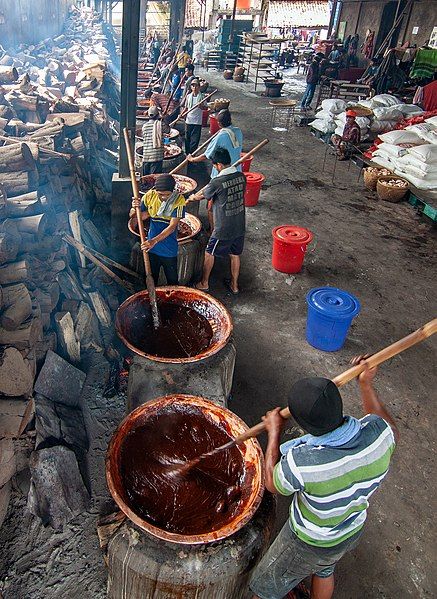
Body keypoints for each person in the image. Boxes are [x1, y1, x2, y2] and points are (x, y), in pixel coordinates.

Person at [249, 358, 399, 599]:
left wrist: (274, 432)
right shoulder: (380, 435)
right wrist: (366, 384)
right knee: (324, 569)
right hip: (350, 529)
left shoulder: (303, 463)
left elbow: (272, 484)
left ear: (304, 426)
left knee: (264, 586)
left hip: (310, 541)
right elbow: (385, 423)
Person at [188, 148, 246, 295]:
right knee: (234, 255)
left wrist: (191, 197)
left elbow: (203, 194)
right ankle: (234, 286)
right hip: (239, 224)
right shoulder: (241, 176)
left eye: (214, 165)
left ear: (219, 165)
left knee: (209, 253)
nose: (215, 167)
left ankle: (204, 283)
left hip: (223, 227)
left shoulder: (217, 181)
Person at [130, 174, 186, 285]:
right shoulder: (150, 196)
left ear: (172, 191)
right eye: (160, 194)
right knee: (152, 277)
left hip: (169, 249)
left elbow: (172, 227)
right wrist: (134, 208)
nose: (164, 197)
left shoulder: (179, 200)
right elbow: (137, 216)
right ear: (155, 190)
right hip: (151, 248)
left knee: (172, 281)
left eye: (167, 195)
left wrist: (153, 241)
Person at [187, 109, 243, 178]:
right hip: (236, 169)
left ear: (219, 123)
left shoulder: (220, 137)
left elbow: (206, 155)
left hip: (223, 171)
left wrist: (192, 159)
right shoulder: (238, 131)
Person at [141, 105, 171, 175]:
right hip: (157, 156)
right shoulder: (160, 125)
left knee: (146, 178)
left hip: (146, 156)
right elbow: (168, 130)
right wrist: (166, 120)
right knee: (154, 178)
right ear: (157, 115)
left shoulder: (144, 126)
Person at [183, 79, 207, 154]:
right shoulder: (188, 96)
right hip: (189, 121)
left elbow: (206, 108)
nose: (194, 87)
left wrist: (201, 107)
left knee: (195, 140)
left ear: (199, 87)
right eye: (193, 86)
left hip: (197, 122)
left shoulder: (202, 97)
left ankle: (192, 155)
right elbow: (186, 108)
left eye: (196, 86)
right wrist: (182, 114)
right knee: (187, 139)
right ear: (191, 87)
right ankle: (187, 154)